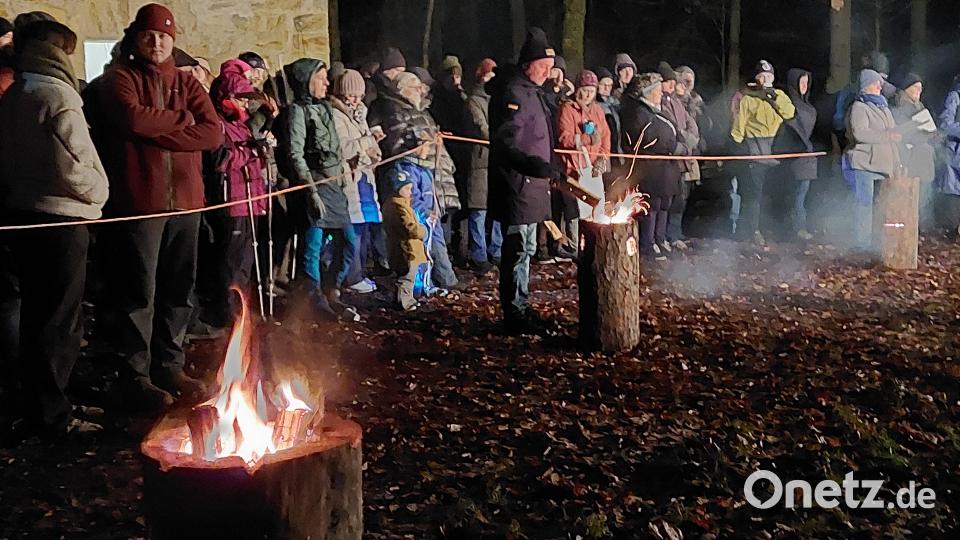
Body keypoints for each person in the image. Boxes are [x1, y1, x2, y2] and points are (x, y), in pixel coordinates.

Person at [97, 3, 222, 411]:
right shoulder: (118, 79)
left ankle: (170, 364)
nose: (157, 42)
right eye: (150, 35)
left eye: (165, 36)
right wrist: (182, 122)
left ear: (174, 40)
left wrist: (163, 130)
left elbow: (212, 133)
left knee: (178, 290)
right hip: (141, 204)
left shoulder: (188, 85)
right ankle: (134, 374)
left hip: (187, 204)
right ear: (136, 38)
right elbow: (133, 120)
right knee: (138, 292)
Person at [0, 19, 109, 438]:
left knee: (38, 318)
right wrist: (99, 196)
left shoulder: (17, 94)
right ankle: (52, 414)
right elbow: (75, 162)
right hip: (61, 218)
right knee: (58, 321)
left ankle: (48, 400)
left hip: (25, 213)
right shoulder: (56, 95)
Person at [275, 58, 359, 321]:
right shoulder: (297, 112)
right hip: (315, 186)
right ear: (306, 80)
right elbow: (295, 154)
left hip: (334, 187)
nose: (326, 82)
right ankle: (312, 298)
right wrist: (310, 191)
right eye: (320, 77)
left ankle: (331, 287)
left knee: (349, 242)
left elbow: (334, 149)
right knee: (311, 247)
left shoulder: (325, 109)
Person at [488, 27, 558, 334]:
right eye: (542, 66)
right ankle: (514, 312)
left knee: (527, 247)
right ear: (528, 64)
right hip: (518, 184)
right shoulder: (514, 93)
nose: (546, 72)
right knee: (518, 247)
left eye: (549, 67)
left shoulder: (532, 93)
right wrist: (535, 166)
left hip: (531, 185)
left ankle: (521, 305)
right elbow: (508, 143)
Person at [380, 71, 462, 291]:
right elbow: (397, 145)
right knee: (419, 231)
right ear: (403, 90)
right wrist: (419, 144)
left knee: (433, 227)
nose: (420, 91)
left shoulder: (422, 113)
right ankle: (422, 282)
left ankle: (444, 277)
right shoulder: (396, 113)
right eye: (415, 87)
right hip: (412, 178)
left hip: (430, 177)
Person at [207, 59, 269, 323]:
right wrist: (249, 150)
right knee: (231, 263)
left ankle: (242, 310)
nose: (246, 105)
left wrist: (261, 150)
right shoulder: (219, 124)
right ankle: (228, 312)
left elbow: (251, 157)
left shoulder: (241, 123)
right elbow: (221, 161)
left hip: (249, 198)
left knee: (245, 262)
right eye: (241, 98)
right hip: (231, 199)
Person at [329, 69, 383, 294]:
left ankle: (359, 274)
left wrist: (374, 152)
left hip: (364, 180)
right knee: (353, 233)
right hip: (348, 182)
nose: (355, 100)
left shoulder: (359, 115)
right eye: (351, 95)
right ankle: (351, 277)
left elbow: (365, 147)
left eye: (359, 96)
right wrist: (369, 139)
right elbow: (344, 148)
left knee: (364, 228)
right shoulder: (336, 116)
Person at [730, 60, 796, 245]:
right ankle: (752, 231)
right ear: (756, 78)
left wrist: (773, 97)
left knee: (773, 194)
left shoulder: (780, 95)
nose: (765, 79)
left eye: (769, 76)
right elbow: (738, 129)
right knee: (754, 197)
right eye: (761, 76)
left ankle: (773, 228)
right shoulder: (748, 99)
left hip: (774, 152)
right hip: (755, 153)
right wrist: (737, 148)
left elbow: (790, 113)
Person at [620, 72, 682, 260]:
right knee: (651, 205)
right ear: (647, 93)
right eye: (657, 90)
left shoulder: (658, 111)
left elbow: (673, 131)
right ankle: (647, 243)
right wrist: (671, 144)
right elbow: (646, 137)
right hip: (650, 167)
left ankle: (660, 238)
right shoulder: (639, 113)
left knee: (665, 203)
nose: (661, 93)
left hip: (666, 167)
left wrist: (678, 144)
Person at [842, 69, 900, 250]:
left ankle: (880, 243)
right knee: (864, 206)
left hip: (885, 166)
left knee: (882, 207)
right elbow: (860, 133)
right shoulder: (859, 107)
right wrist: (886, 136)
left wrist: (898, 161)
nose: (879, 86)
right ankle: (862, 245)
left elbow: (893, 138)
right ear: (867, 85)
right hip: (865, 164)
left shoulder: (884, 108)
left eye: (880, 84)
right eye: (876, 83)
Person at [556, 70, 610, 255]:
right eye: (584, 90)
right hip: (574, 167)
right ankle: (574, 246)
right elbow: (565, 138)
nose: (588, 94)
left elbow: (606, 137)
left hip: (593, 167)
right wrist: (587, 139)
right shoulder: (567, 109)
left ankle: (595, 242)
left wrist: (603, 158)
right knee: (575, 210)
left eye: (591, 90)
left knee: (597, 205)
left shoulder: (598, 110)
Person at [382, 142, 431, 311]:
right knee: (407, 278)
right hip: (407, 250)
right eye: (408, 188)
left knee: (406, 277)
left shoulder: (399, 204)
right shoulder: (398, 206)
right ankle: (405, 302)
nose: (411, 192)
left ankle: (402, 299)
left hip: (407, 250)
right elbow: (408, 227)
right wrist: (422, 231)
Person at [464, 58, 502, 271]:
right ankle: (478, 254)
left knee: (498, 208)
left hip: (498, 160)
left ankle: (496, 251)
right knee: (479, 210)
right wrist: (502, 137)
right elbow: (481, 127)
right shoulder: (474, 101)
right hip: (481, 160)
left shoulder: (500, 99)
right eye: (489, 75)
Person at [658, 62, 699, 251]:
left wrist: (690, 139)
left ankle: (675, 233)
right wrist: (684, 137)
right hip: (672, 158)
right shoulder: (663, 102)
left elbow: (692, 126)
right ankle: (665, 235)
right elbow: (672, 127)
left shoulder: (677, 102)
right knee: (669, 200)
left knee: (681, 199)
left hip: (685, 158)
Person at [891, 73, 937, 232]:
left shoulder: (921, 108)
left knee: (924, 196)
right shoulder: (898, 106)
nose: (919, 91)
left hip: (924, 159)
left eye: (920, 88)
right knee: (909, 196)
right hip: (909, 158)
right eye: (915, 87)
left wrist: (933, 135)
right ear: (907, 88)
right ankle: (908, 229)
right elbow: (899, 132)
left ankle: (919, 228)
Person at [779, 69, 819, 241]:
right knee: (792, 195)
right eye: (801, 82)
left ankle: (799, 228)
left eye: (806, 83)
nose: (804, 86)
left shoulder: (808, 106)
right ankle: (792, 229)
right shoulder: (788, 105)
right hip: (792, 156)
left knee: (801, 195)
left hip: (807, 158)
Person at [938, 74, 960, 237]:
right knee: (954, 191)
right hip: (956, 154)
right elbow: (945, 125)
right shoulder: (955, 97)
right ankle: (951, 230)